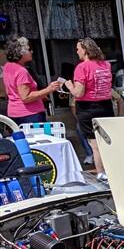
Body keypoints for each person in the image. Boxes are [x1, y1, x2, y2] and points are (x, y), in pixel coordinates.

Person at [61, 38, 115, 182]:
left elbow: (78, 93)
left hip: (87, 108)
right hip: (106, 106)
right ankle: (113, 170)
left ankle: (101, 173)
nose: (77, 51)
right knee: (108, 142)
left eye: (78, 48)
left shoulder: (82, 67)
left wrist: (69, 85)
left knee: (95, 145)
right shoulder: (106, 65)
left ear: (85, 50)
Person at [1, 35, 60, 124]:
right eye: (29, 49)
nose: (32, 51)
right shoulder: (21, 71)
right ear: (21, 53)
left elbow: (15, 90)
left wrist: (40, 95)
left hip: (14, 112)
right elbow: (26, 97)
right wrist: (48, 89)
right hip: (29, 115)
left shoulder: (7, 66)